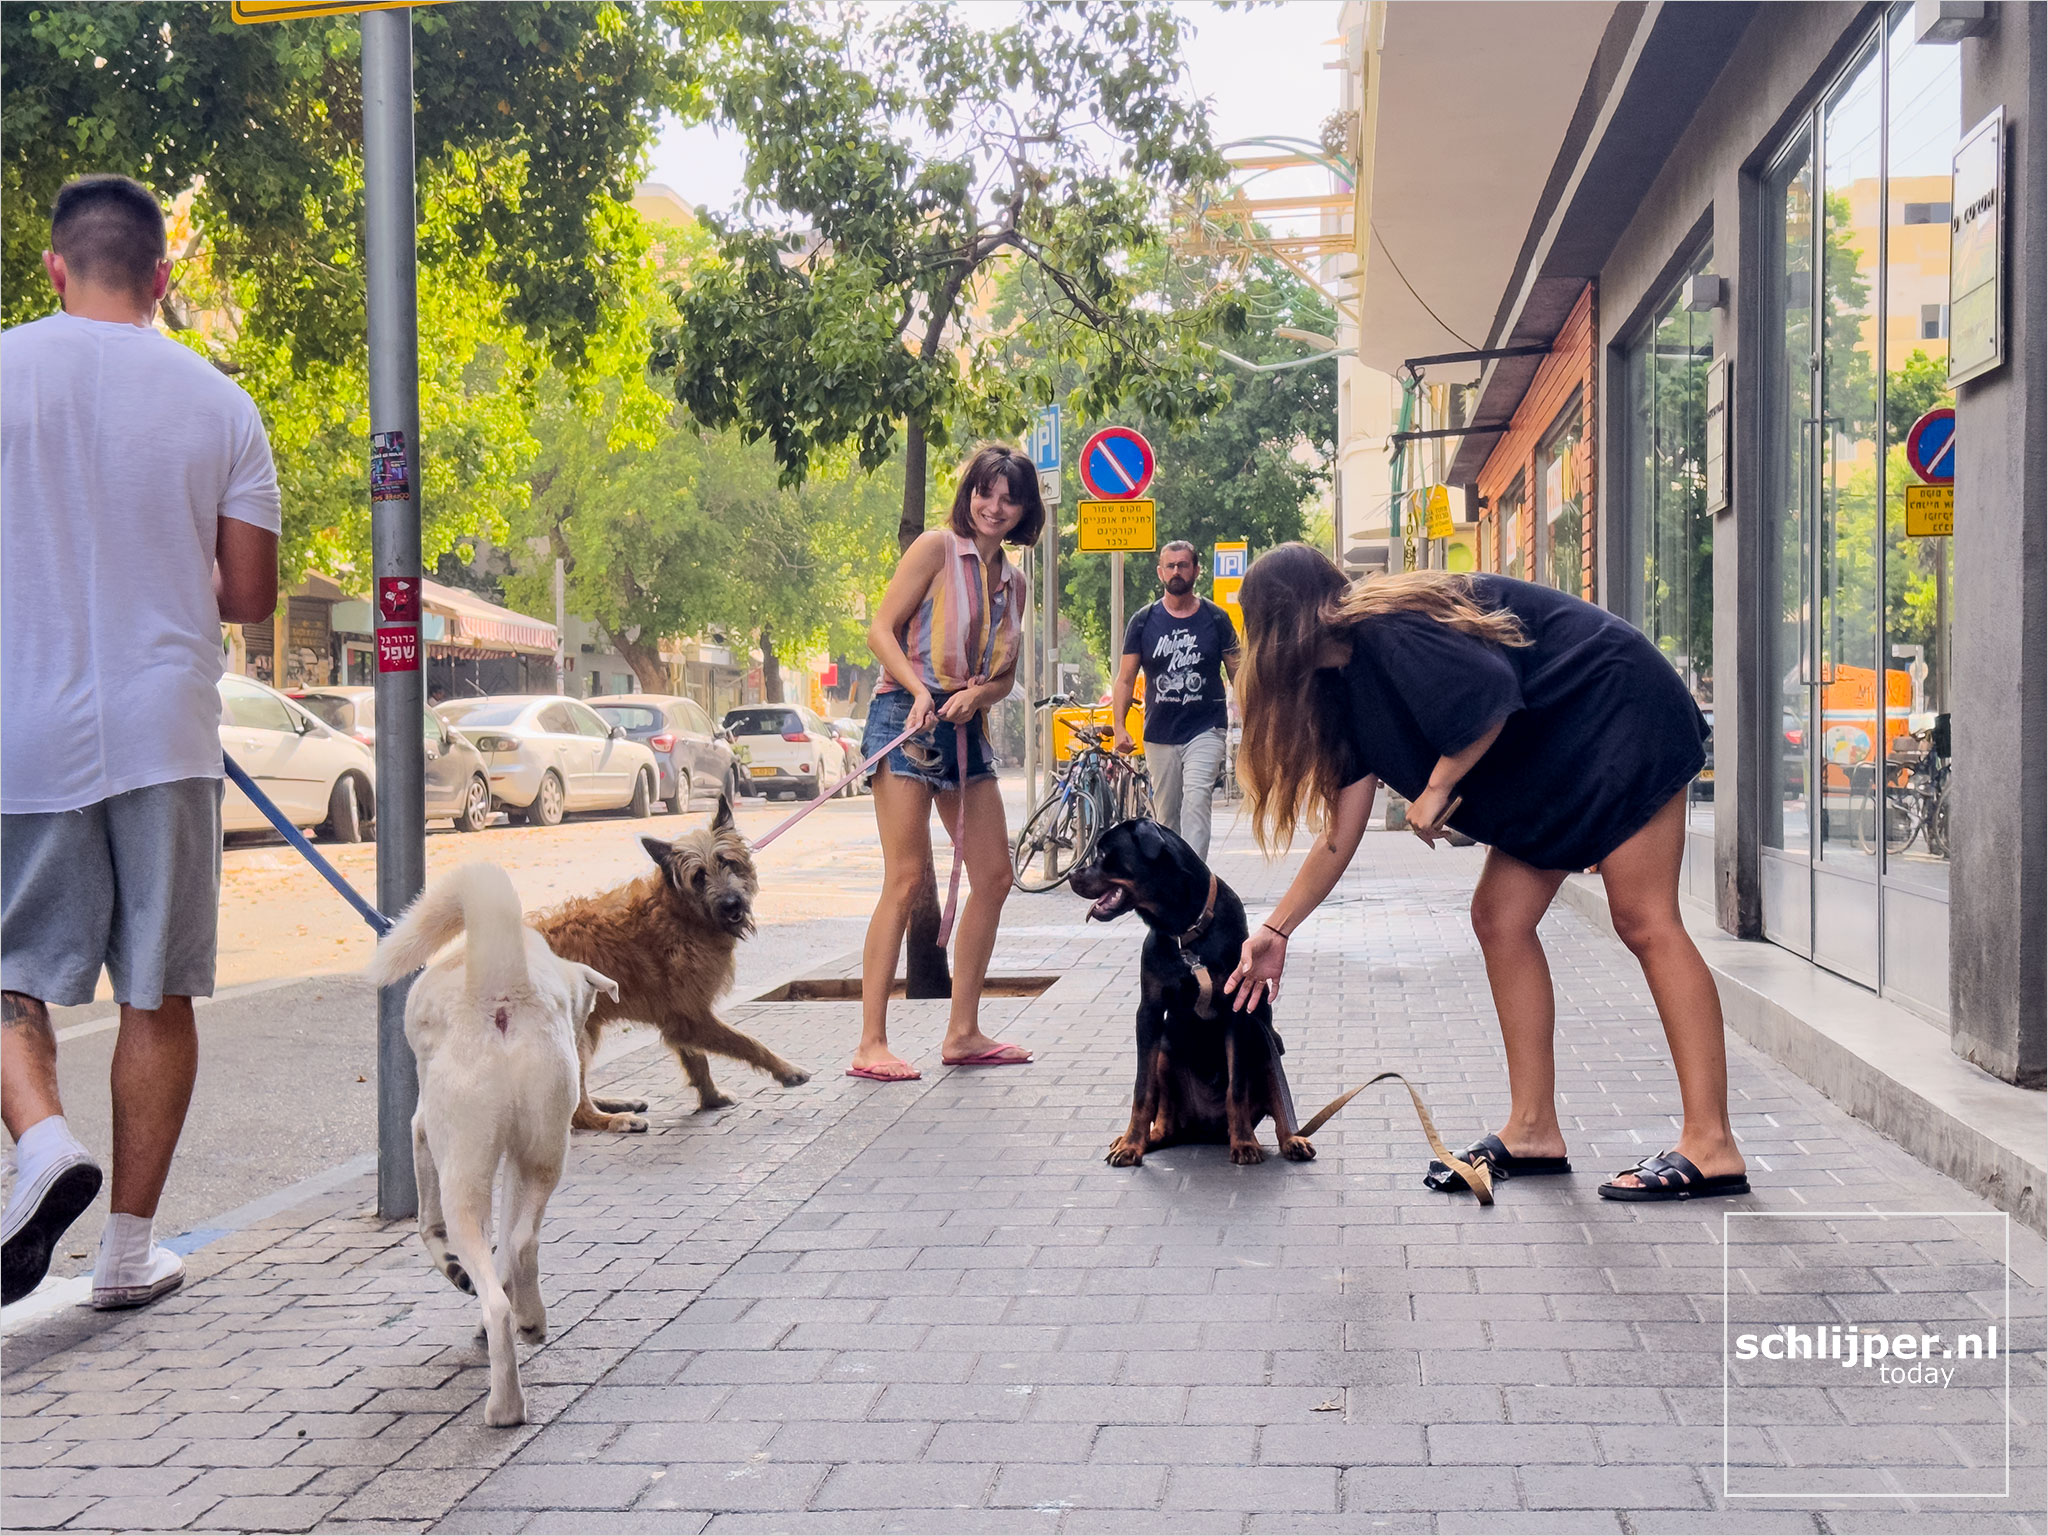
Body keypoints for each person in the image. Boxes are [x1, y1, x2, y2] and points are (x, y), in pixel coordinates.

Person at [1222, 544, 1746, 1202]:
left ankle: (1712, 1142)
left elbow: (1491, 697)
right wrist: (1277, 930)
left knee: (1643, 919)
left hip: (1616, 707)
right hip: (1552, 754)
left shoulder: (1390, 630)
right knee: (1499, 918)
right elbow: (1339, 834)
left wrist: (1437, 787)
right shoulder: (1338, 692)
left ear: (1274, 626)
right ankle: (1532, 1130)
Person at [1, 175, 281, 1308]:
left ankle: (39, 1142)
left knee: (9, 976)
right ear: (162, 279)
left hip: (17, 725)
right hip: (167, 725)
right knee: (155, 993)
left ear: (56, 269)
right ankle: (126, 1253)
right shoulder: (220, 404)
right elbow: (253, 595)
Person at [850, 445, 1043, 1081]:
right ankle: (870, 1043)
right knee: (905, 879)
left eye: (1009, 498)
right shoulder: (935, 548)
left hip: (966, 729)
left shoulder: (1014, 582)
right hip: (903, 721)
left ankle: (963, 1032)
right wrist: (919, 690)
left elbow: (1005, 677)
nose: (995, 507)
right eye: (986, 493)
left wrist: (974, 695)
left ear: (1023, 510)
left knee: (993, 875)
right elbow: (881, 629)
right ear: (970, 494)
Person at [1111, 541, 1239, 860]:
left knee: (1196, 801)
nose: (1176, 571)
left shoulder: (1217, 619)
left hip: (1205, 728)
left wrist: (1251, 726)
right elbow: (1125, 678)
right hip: (1160, 733)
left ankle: (1194, 886)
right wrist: (1119, 726)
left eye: (1183, 565)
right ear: (1160, 572)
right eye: (1170, 566)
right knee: (1167, 818)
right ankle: (1172, 883)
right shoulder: (1143, 621)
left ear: (1196, 570)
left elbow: (1241, 675)